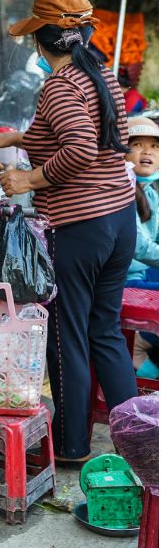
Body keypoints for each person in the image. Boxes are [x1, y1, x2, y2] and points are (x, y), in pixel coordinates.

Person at [0, 0, 137, 463]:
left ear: (44, 41)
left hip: (82, 227)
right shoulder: (100, 75)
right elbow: (99, 138)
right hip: (118, 219)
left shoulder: (61, 85)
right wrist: (22, 136)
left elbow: (82, 148)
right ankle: (138, 442)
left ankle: (70, 446)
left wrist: (29, 177)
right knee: (103, 330)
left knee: (66, 338)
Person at [125, 116, 158, 379]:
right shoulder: (123, 188)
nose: (147, 151)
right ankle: (139, 344)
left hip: (145, 275)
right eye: (137, 144)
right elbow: (140, 247)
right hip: (125, 280)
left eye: (154, 146)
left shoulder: (151, 192)